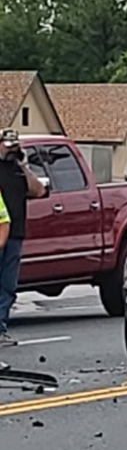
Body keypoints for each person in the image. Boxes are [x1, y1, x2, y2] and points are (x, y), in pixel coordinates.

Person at [0, 129, 48, 346]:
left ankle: (0, 328)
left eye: (14, 145)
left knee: (8, 285)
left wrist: (23, 165)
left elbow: (39, 191)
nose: (11, 149)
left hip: (15, 234)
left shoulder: (17, 170)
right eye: (7, 144)